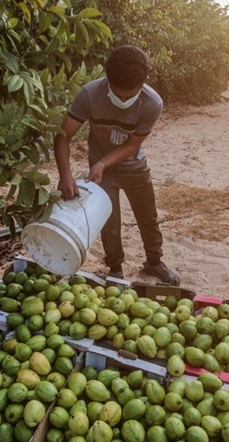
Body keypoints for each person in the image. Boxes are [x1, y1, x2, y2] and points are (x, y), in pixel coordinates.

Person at [54, 45, 180, 286]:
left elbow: (133, 145)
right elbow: (63, 136)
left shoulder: (152, 103)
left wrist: (102, 163)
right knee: (109, 223)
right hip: (102, 175)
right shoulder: (89, 95)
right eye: (117, 93)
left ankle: (154, 262)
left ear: (144, 82)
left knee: (148, 217)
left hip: (133, 167)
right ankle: (115, 269)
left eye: (129, 95)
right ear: (107, 79)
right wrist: (65, 174)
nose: (123, 100)